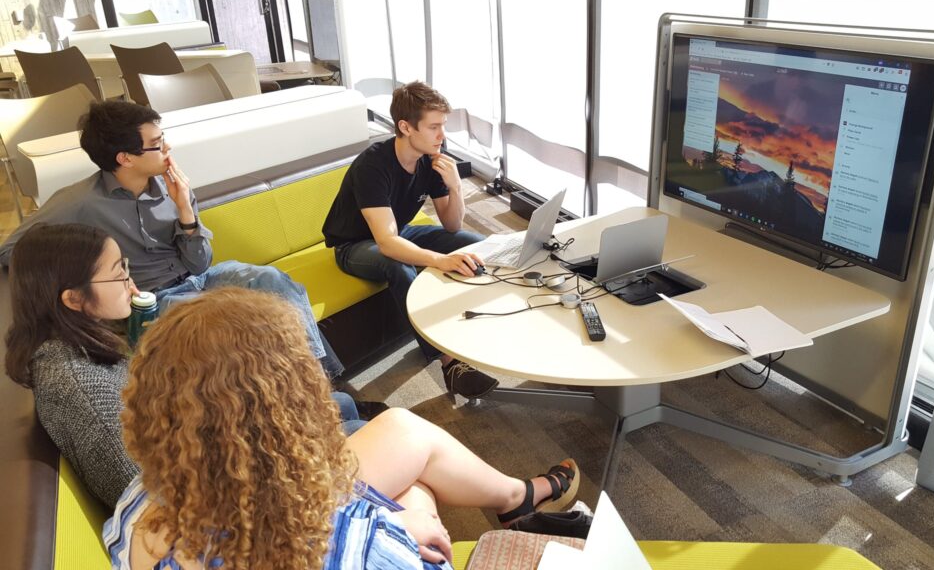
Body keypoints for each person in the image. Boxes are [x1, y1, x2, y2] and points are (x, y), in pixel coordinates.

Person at [107, 287, 580, 569]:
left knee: (401, 430)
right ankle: (518, 500)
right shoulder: (362, 554)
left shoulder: (142, 502)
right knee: (416, 481)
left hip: (261, 513)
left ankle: (516, 498)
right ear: (291, 410)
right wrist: (399, 520)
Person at [2, 223, 364, 509]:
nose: (131, 283)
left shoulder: (76, 345)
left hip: (201, 448)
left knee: (336, 408)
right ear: (74, 298)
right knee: (361, 422)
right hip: (227, 491)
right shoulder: (81, 388)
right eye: (118, 273)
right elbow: (153, 500)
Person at [0, 100, 344, 381]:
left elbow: (200, 264)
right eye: (157, 144)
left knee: (270, 280)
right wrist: (83, 270)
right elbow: (11, 250)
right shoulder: (79, 202)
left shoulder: (173, 187)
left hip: (199, 278)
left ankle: (318, 377)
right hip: (151, 302)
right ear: (125, 158)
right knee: (235, 321)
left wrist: (184, 209)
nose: (167, 148)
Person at [323, 81, 498, 400]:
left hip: (399, 231)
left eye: (443, 126)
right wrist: (439, 260)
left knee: (472, 241)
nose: (441, 135)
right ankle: (450, 362)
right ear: (405, 126)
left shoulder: (431, 156)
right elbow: (387, 244)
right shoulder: (373, 165)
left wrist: (456, 186)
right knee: (399, 265)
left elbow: (451, 223)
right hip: (355, 246)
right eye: (434, 127)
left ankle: (473, 322)